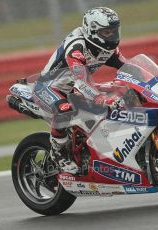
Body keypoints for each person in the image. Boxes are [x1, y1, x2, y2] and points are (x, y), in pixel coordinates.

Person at [33, 7, 126, 174]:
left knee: (118, 95)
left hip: (73, 88)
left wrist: (148, 78)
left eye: (113, 31)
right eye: (106, 32)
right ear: (92, 30)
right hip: (48, 87)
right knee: (64, 110)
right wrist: (101, 99)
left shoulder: (108, 47)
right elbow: (82, 83)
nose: (112, 36)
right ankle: (58, 151)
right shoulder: (76, 47)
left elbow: (128, 67)